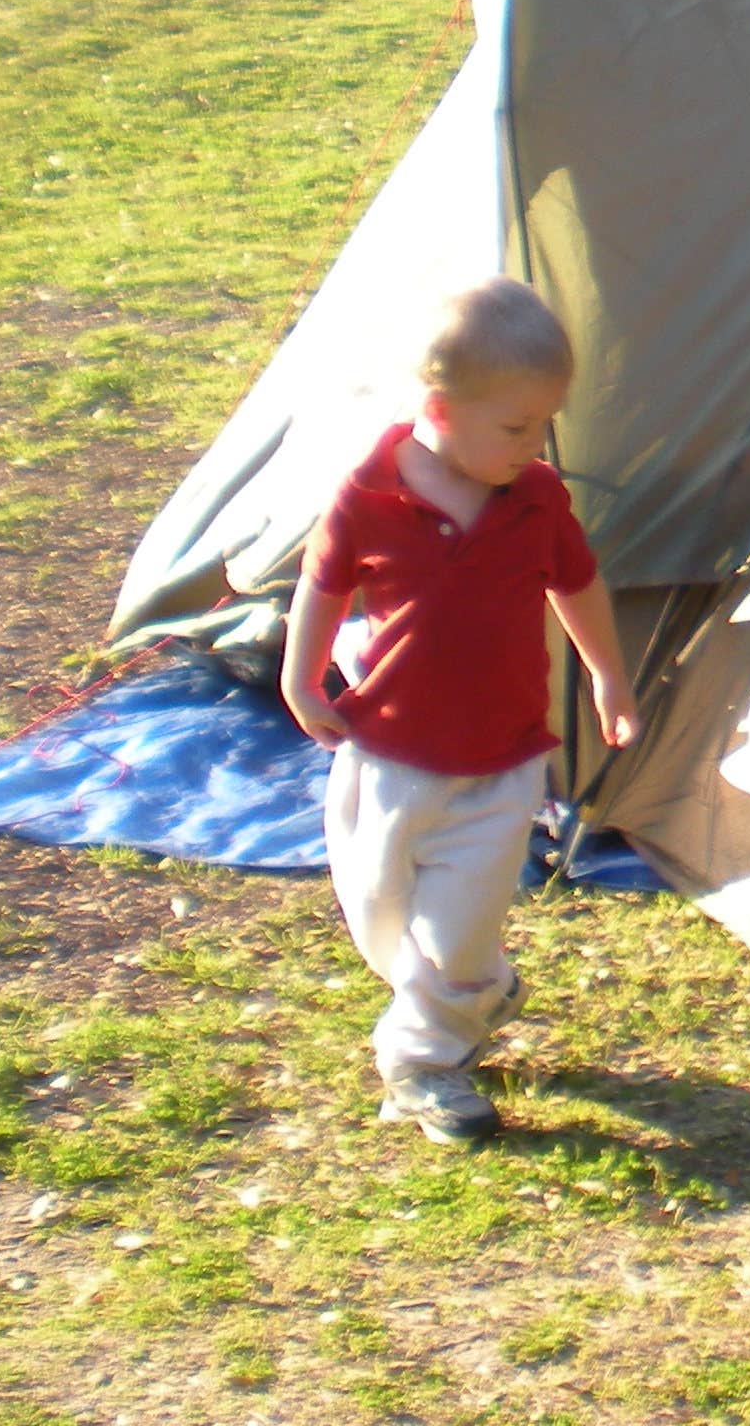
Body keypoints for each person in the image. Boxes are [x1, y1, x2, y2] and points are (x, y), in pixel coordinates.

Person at [280, 277, 639, 1145]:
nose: (534, 443)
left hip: (501, 762)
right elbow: (321, 585)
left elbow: (578, 586)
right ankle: (475, 989)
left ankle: (421, 1064)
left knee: (456, 926)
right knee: (381, 916)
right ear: (438, 409)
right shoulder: (368, 496)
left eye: (544, 424)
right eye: (514, 427)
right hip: (388, 754)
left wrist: (609, 677)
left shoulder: (536, 499)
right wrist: (303, 678)